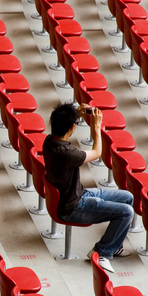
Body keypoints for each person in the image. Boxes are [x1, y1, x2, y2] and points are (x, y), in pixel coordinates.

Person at [42, 101, 134, 272]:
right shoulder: (68, 154)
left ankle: (114, 245)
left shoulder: (48, 142)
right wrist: (96, 126)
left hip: (76, 194)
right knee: (126, 212)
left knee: (127, 197)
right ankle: (101, 252)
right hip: (74, 207)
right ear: (72, 128)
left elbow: (64, 125)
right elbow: (97, 152)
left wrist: (76, 115)